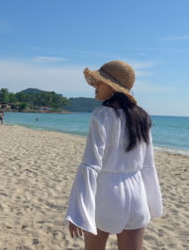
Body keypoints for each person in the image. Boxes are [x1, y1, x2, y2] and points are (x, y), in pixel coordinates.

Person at [66, 60, 163, 250]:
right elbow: (148, 164)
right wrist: (153, 203)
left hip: (107, 193)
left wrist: (77, 212)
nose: (95, 86)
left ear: (112, 86)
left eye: (99, 82)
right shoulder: (142, 117)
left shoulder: (102, 114)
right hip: (137, 194)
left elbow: (90, 165)